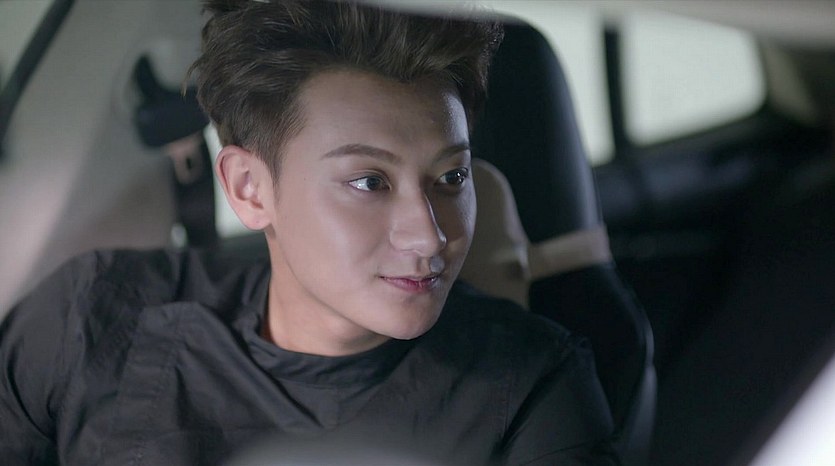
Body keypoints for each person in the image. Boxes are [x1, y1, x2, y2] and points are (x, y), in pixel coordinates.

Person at [0, 1, 618, 464]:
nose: (429, 238)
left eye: (451, 176)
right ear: (250, 188)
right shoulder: (91, 319)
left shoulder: (533, 389)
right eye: (369, 182)